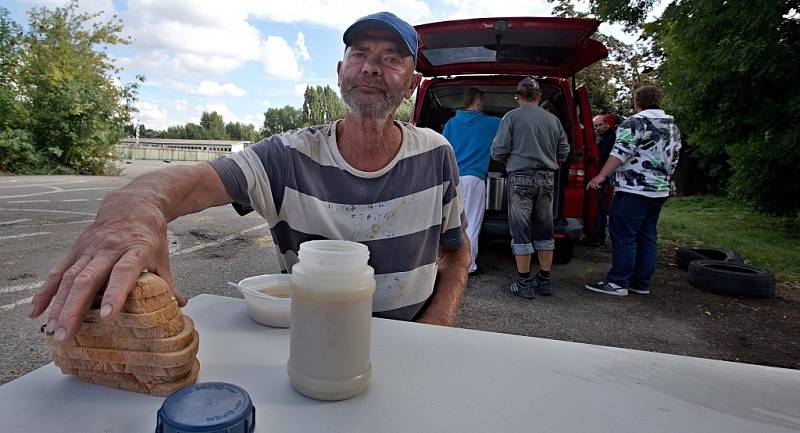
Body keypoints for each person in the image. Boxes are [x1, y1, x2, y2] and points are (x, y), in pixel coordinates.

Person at [31, 11, 471, 344]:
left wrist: (438, 323)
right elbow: (193, 180)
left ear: (411, 83)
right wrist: (131, 214)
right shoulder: (286, 155)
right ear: (340, 72)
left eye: (391, 59)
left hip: (413, 341)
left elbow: (456, 249)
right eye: (359, 55)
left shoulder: (435, 153)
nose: (371, 67)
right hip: (311, 338)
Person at [585, 85, 681, 296]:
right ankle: (641, 282)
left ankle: (618, 281)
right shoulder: (672, 126)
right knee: (647, 236)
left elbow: (621, 153)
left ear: (637, 101)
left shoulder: (635, 123)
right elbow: (674, 158)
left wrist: (601, 176)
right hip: (659, 190)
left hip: (633, 189)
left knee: (623, 235)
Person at [491, 77, 569, 299]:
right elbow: (564, 151)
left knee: (521, 231)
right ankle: (544, 280)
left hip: (520, 179)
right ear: (539, 96)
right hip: (546, 179)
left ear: (518, 96)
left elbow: (498, 151)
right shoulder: (553, 120)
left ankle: (523, 283)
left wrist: (507, 161)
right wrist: (549, 164)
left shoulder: (511, 117)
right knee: (545, 229)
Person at [442, 88, 501, 276]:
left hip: (452, 178)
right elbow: (513, 125)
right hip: (474, 179)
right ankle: (469, 266)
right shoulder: (490, 123)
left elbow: (442, 149)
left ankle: (447, 262)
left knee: (452, 223)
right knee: (472, 223)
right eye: (482, 102)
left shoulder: (451, 123)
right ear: (477, 101)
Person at [588, 114, 616, 246]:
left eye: (599, 125)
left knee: (600, 207)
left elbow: (603, 156)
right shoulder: (603, 137)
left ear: (607, 124)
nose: (597, 128)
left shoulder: (610, 139)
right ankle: (596, 234)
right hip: (601, 177)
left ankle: (598, 236)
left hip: (603, 178)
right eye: (595, 126)